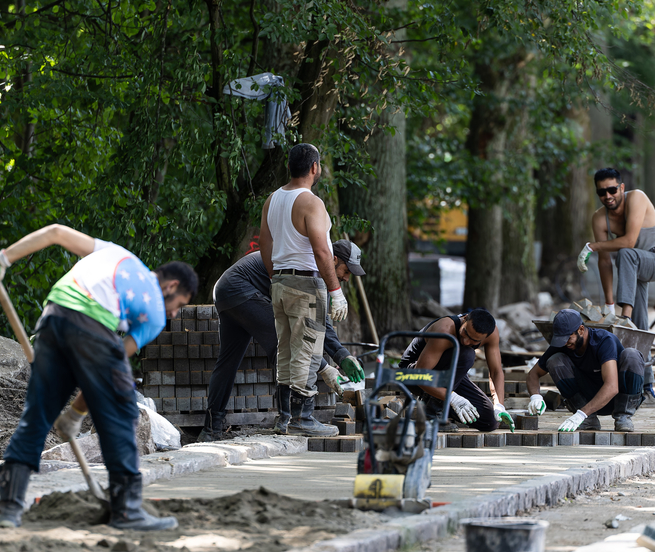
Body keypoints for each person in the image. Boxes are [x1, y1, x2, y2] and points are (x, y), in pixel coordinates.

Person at [0, 224, 197, 531]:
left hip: (53, 318)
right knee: (122, 413)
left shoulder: (115, 252)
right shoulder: (156, 314)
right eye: (180, 305)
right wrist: (79, 411)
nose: (175, 314)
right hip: (93, 326)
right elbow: (113, 364)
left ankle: (9, 509)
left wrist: (2, 258)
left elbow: (54, 232)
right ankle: (127, 511)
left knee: (37, 417)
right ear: (171, 286)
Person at [199, 240, 367, 441]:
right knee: (284, 343)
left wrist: (343, 356)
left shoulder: (310, 266)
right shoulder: (309, 271)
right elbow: (302, 334)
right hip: (240, 288)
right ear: (333, 259)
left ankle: (210, 430)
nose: (346, 279)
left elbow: (320, 322)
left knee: (228, 362)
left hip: (225, 289)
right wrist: (325, 368)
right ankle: (289, 420)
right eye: (346, 271)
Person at [259, 143, 350, 436]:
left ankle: (284, 417)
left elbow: (265, 243)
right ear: (314, 167)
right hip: (306, 283)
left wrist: (276, 277)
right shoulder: (311, 203)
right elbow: (323, 252)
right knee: (307, 351)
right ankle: (303, 418)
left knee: (285, 350)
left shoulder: (272, 200)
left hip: (280, 283)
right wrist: (336, 292)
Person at [576, 167, 655, 405]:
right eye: (601, 192)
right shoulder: (599, 218)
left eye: (612, 190)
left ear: (621, 188)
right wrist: (609, 306)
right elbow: (606, 263)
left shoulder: (637, 197)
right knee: (640, 327)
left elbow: (628, 242)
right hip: (634, 271)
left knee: (626, 253)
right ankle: (647, 388)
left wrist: (594, 246)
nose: (608, 196)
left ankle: (625, 315)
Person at [525, 309, 644, 432]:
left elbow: (612, 387)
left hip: (616, 399)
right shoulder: (562, 344)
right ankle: (589, 420)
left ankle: (623, 416)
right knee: (554, 360)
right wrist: (535, 397)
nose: (565, 343)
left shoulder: (604, 341)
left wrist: (581, 414)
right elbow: (533, 374)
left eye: (568, 338)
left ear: (581, 330)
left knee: (632, 355)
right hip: (586, 401)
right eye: (561, 339)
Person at [398, 309, 514, 433]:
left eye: (474, 341)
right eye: (465, 333)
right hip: (412, 375)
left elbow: (496, 371)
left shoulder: (492, 334)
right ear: (464, 318)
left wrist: (499, 405)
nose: (466, 341)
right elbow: (419, 375)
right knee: (467, 354)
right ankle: (432, 413)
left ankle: (436, 402)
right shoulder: (445, 329)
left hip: (448, 374)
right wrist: (453, 398)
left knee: (489, 421)